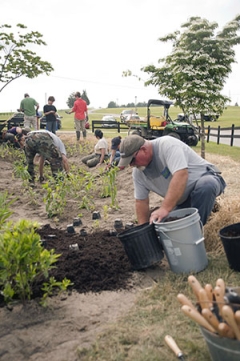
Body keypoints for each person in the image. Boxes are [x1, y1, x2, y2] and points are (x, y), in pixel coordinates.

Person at [118, 135, 226, 226]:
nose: (131, 165)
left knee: (206, 186)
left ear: (143, 149)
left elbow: (181, 175)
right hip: (183, 200)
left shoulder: (167, 145)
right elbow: (141, 201)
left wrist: (165, 208)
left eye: (132, 160)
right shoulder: (138, 173)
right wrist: (144, 231)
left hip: (207, 179)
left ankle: (195, 232)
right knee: (163, 224)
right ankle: (203, 211)